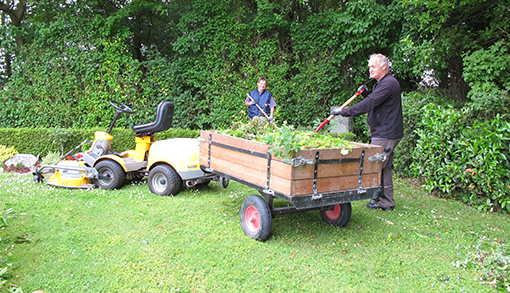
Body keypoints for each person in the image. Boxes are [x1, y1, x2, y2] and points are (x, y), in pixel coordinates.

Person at [330, 53, 403, 211]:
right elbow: (376, 101)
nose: (370, 69)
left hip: (386, 133)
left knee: (374, 166)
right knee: (385, 167)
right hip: (383, 132)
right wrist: (366, 93)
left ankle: (378, 199)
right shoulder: (381, 84)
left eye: (373, 66)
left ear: (383, 67)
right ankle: (386, 201)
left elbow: (370, 103)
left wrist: (343, 111)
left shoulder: (389, 83)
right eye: (369, 66)